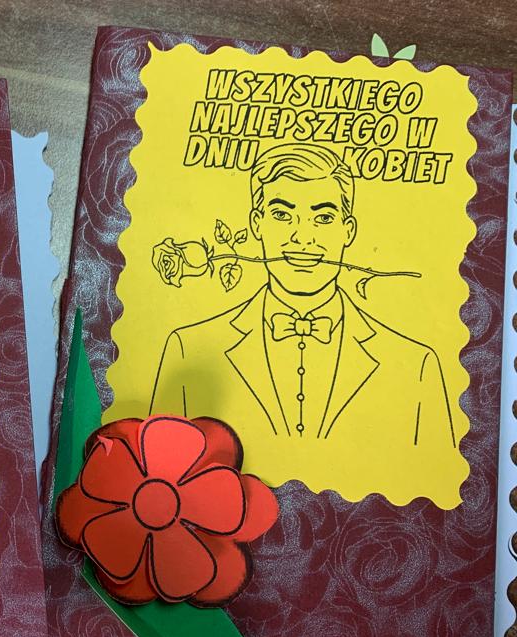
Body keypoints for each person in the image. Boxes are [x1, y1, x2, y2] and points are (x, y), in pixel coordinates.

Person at [151, 143, 455, 449]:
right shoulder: (185, 349)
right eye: (282, 214)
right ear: (257, 223)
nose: (302, 237)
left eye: (323, 218)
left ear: (348, 230)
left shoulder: (418, 366)